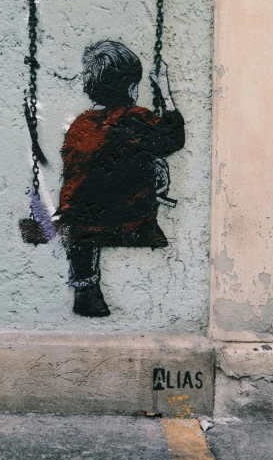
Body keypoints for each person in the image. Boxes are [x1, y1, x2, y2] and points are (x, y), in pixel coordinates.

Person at [58, 40, 185, 317]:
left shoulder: (81, 123)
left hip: (80, 221)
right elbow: (173, 139)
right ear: (131, 87)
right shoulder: (135, 118)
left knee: (89, 193)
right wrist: (164, 90)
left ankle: (85, 283)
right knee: (156, 161)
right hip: (127, 219)